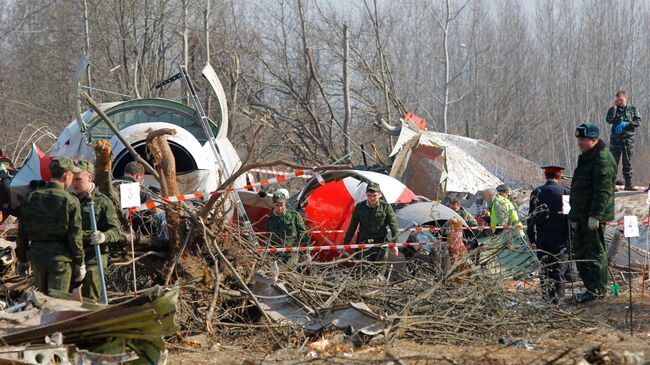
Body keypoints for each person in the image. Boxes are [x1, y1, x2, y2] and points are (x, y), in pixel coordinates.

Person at [15, 157, 85, 294]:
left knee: (44, 299)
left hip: (37, 257)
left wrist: (22, 258)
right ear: (66, 175)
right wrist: (79, 262)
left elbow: (22, 232)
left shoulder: (32, 197)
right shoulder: (69, 200)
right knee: (57, 304)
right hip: (60, 259)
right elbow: (74, 235)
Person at [569, 123, 616, 303]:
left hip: (592, 216)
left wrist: (596, 215)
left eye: (583, 139)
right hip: (582, 214)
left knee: (595, 252)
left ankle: (597, 289)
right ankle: (591, 288)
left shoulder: (602, 159)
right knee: (580, 251)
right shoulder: (589, 157)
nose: (580, 143)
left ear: (594, 140)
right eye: (579, 139)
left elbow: (603, 191)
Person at [71, 160, 121, 301]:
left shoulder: (102, 202)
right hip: (72, 257)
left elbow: (115, 230)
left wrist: (103, 236)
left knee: (89, 298)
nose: (74, 183)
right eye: (72, 179)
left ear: (89, 178)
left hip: (93, 258)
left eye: (78, 179)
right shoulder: (69, 200)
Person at [527, 165, 571, 304]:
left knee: (545, 269)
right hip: (561, 238)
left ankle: (546, 300)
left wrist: (531, 237)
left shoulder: (537, 192)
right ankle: (558, 301)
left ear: (546, 176)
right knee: (559, 270)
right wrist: (571, 238)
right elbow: (569, 218)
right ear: (558, 177)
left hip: (543, 237)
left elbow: (531, 217)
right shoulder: (565, 192)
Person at [343, 182, 400, 261]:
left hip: (381, 242)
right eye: (369, 195)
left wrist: (395, 244)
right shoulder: (360, 207)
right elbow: (352, 226)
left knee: (380, 269)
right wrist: (345, 244)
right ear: (366, 194)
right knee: (364, 269)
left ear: (379, 194)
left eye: (374, 195)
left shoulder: (386, 207)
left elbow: (394, 226)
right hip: (364, 242)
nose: (372, 198)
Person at [605, 90, 640, 191]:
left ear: (625, 99)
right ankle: (611, 185)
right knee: (613, 162)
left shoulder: (632, 109)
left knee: (627, 162)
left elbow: (638, 121)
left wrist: (627, 124)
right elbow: (608, 120)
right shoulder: (614, 109)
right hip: (616, 140)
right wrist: (614, 108)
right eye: (618, 100)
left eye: (621, 100)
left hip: (628, 140)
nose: (619, 102)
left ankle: (628, 184)